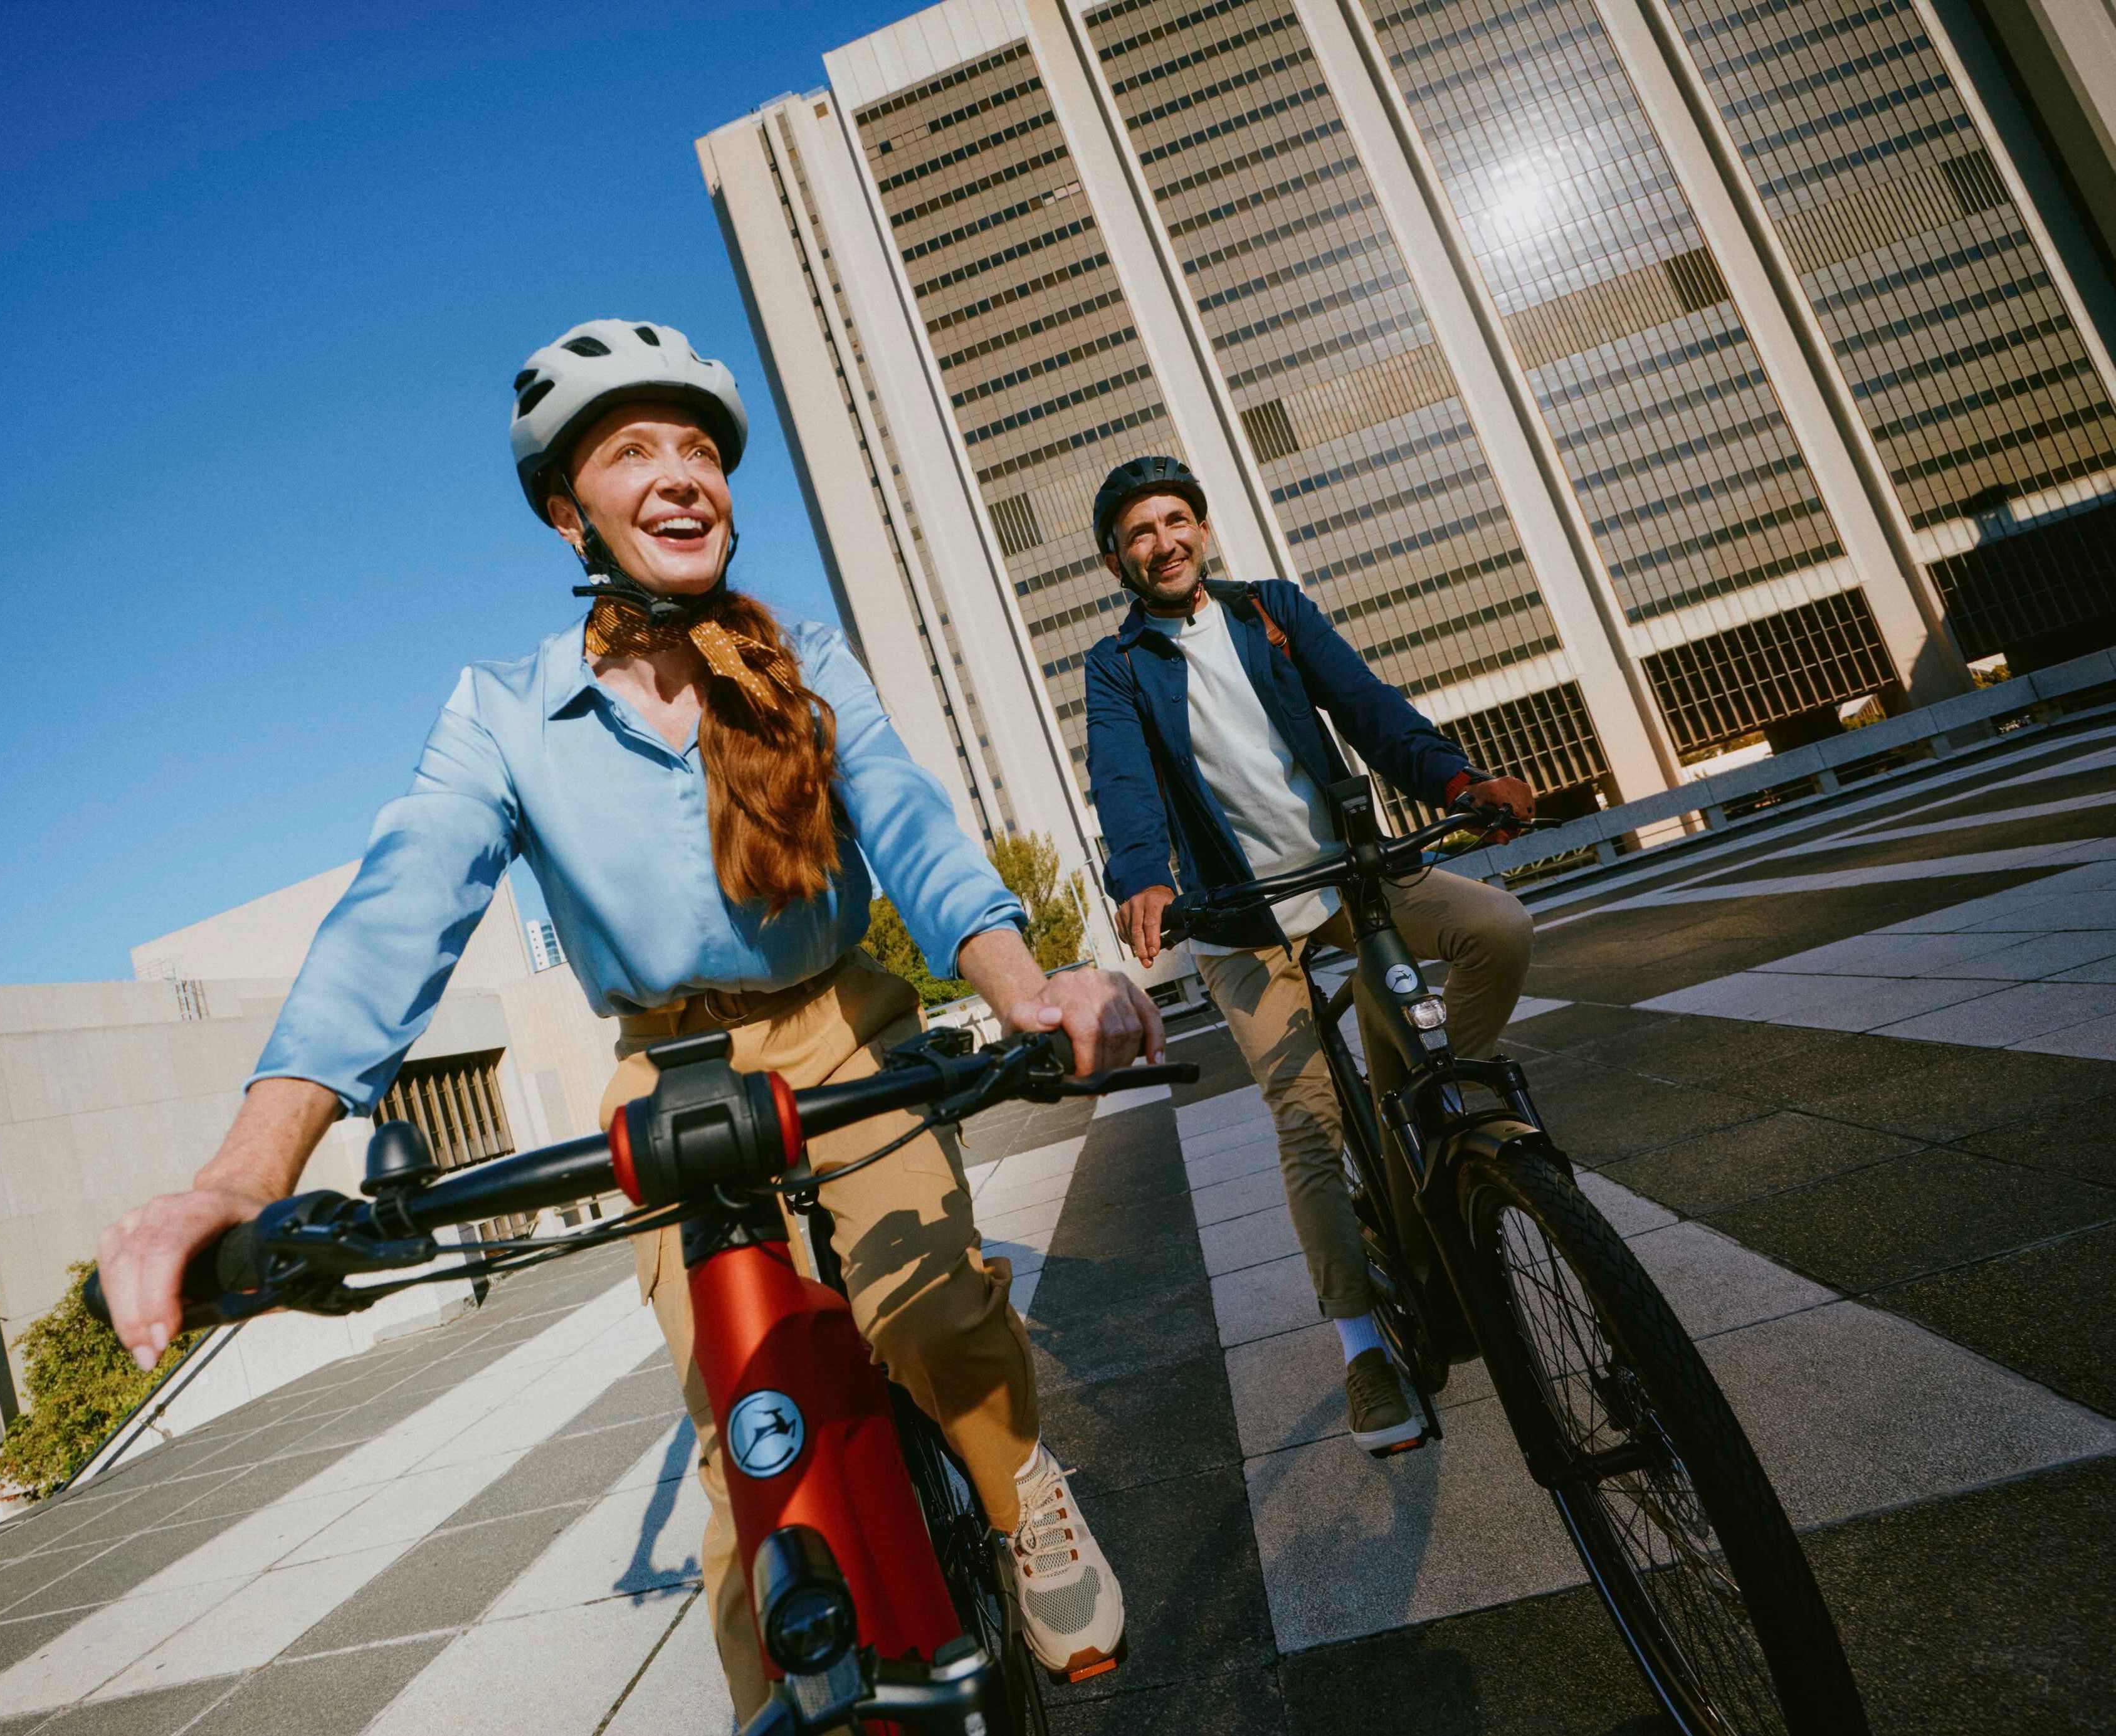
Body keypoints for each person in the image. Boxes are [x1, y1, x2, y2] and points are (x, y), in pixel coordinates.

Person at [95, 319, 1160, 1717]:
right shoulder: (503, 716)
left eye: (701, 451)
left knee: (933, 1315)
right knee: (747, 1431)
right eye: (632, 451)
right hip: (666, 1075)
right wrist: (243, 1178)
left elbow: (911, 827)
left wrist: (1031, 993)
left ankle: (1021, 1490)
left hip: (841, 1023)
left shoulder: (803, 656)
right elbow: (395, 913)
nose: (681, 476)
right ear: (566, 510)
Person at [1079, 456, 1534, 1453]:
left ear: (1202, 528)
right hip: (1241, 917)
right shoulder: (1118, 667)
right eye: (1141, 532)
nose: (1165, 541)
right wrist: (1143, 876)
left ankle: (1425, 1094)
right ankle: (1364, 1346)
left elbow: (1366, 707)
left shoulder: (1271, 610)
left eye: (1177, 519)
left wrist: (1456, 779)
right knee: (1310, 1120)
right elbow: (1122, 779)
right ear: (1116, 559)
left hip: (1355, 877)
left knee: (1497, 930)